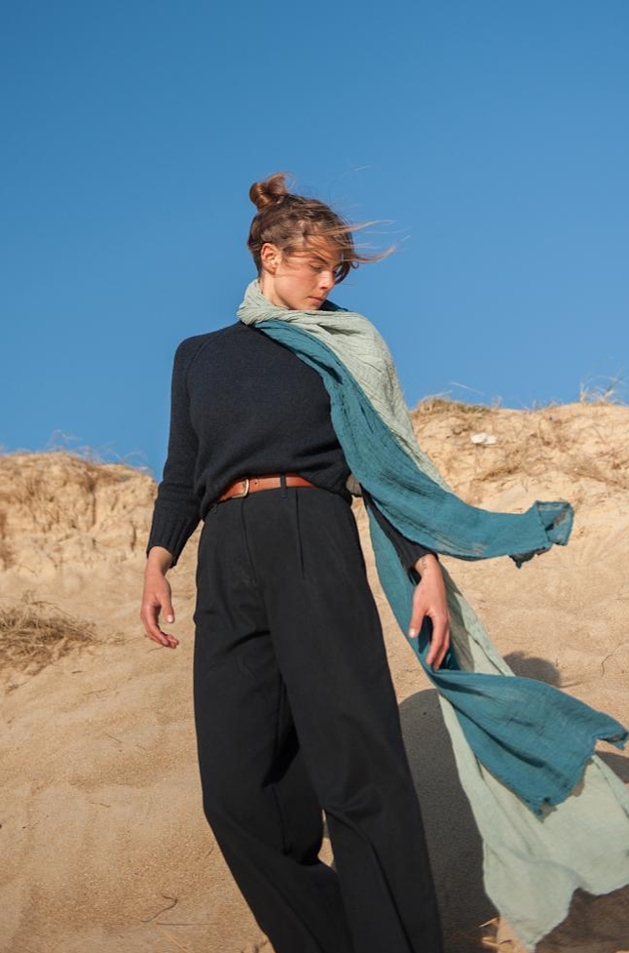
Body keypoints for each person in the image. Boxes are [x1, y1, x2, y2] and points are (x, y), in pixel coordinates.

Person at [141, 173, 450, 953]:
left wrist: (425, 564)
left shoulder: (343, 347)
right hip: (225, 553)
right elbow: (183, 469)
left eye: (338, 270)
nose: (328, 282)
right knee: (237, 792)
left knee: (356, 765)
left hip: (313, 529)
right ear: (269, 255)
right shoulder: (198, 356)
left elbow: (386, 464)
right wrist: (158, 556)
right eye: (318, 265)